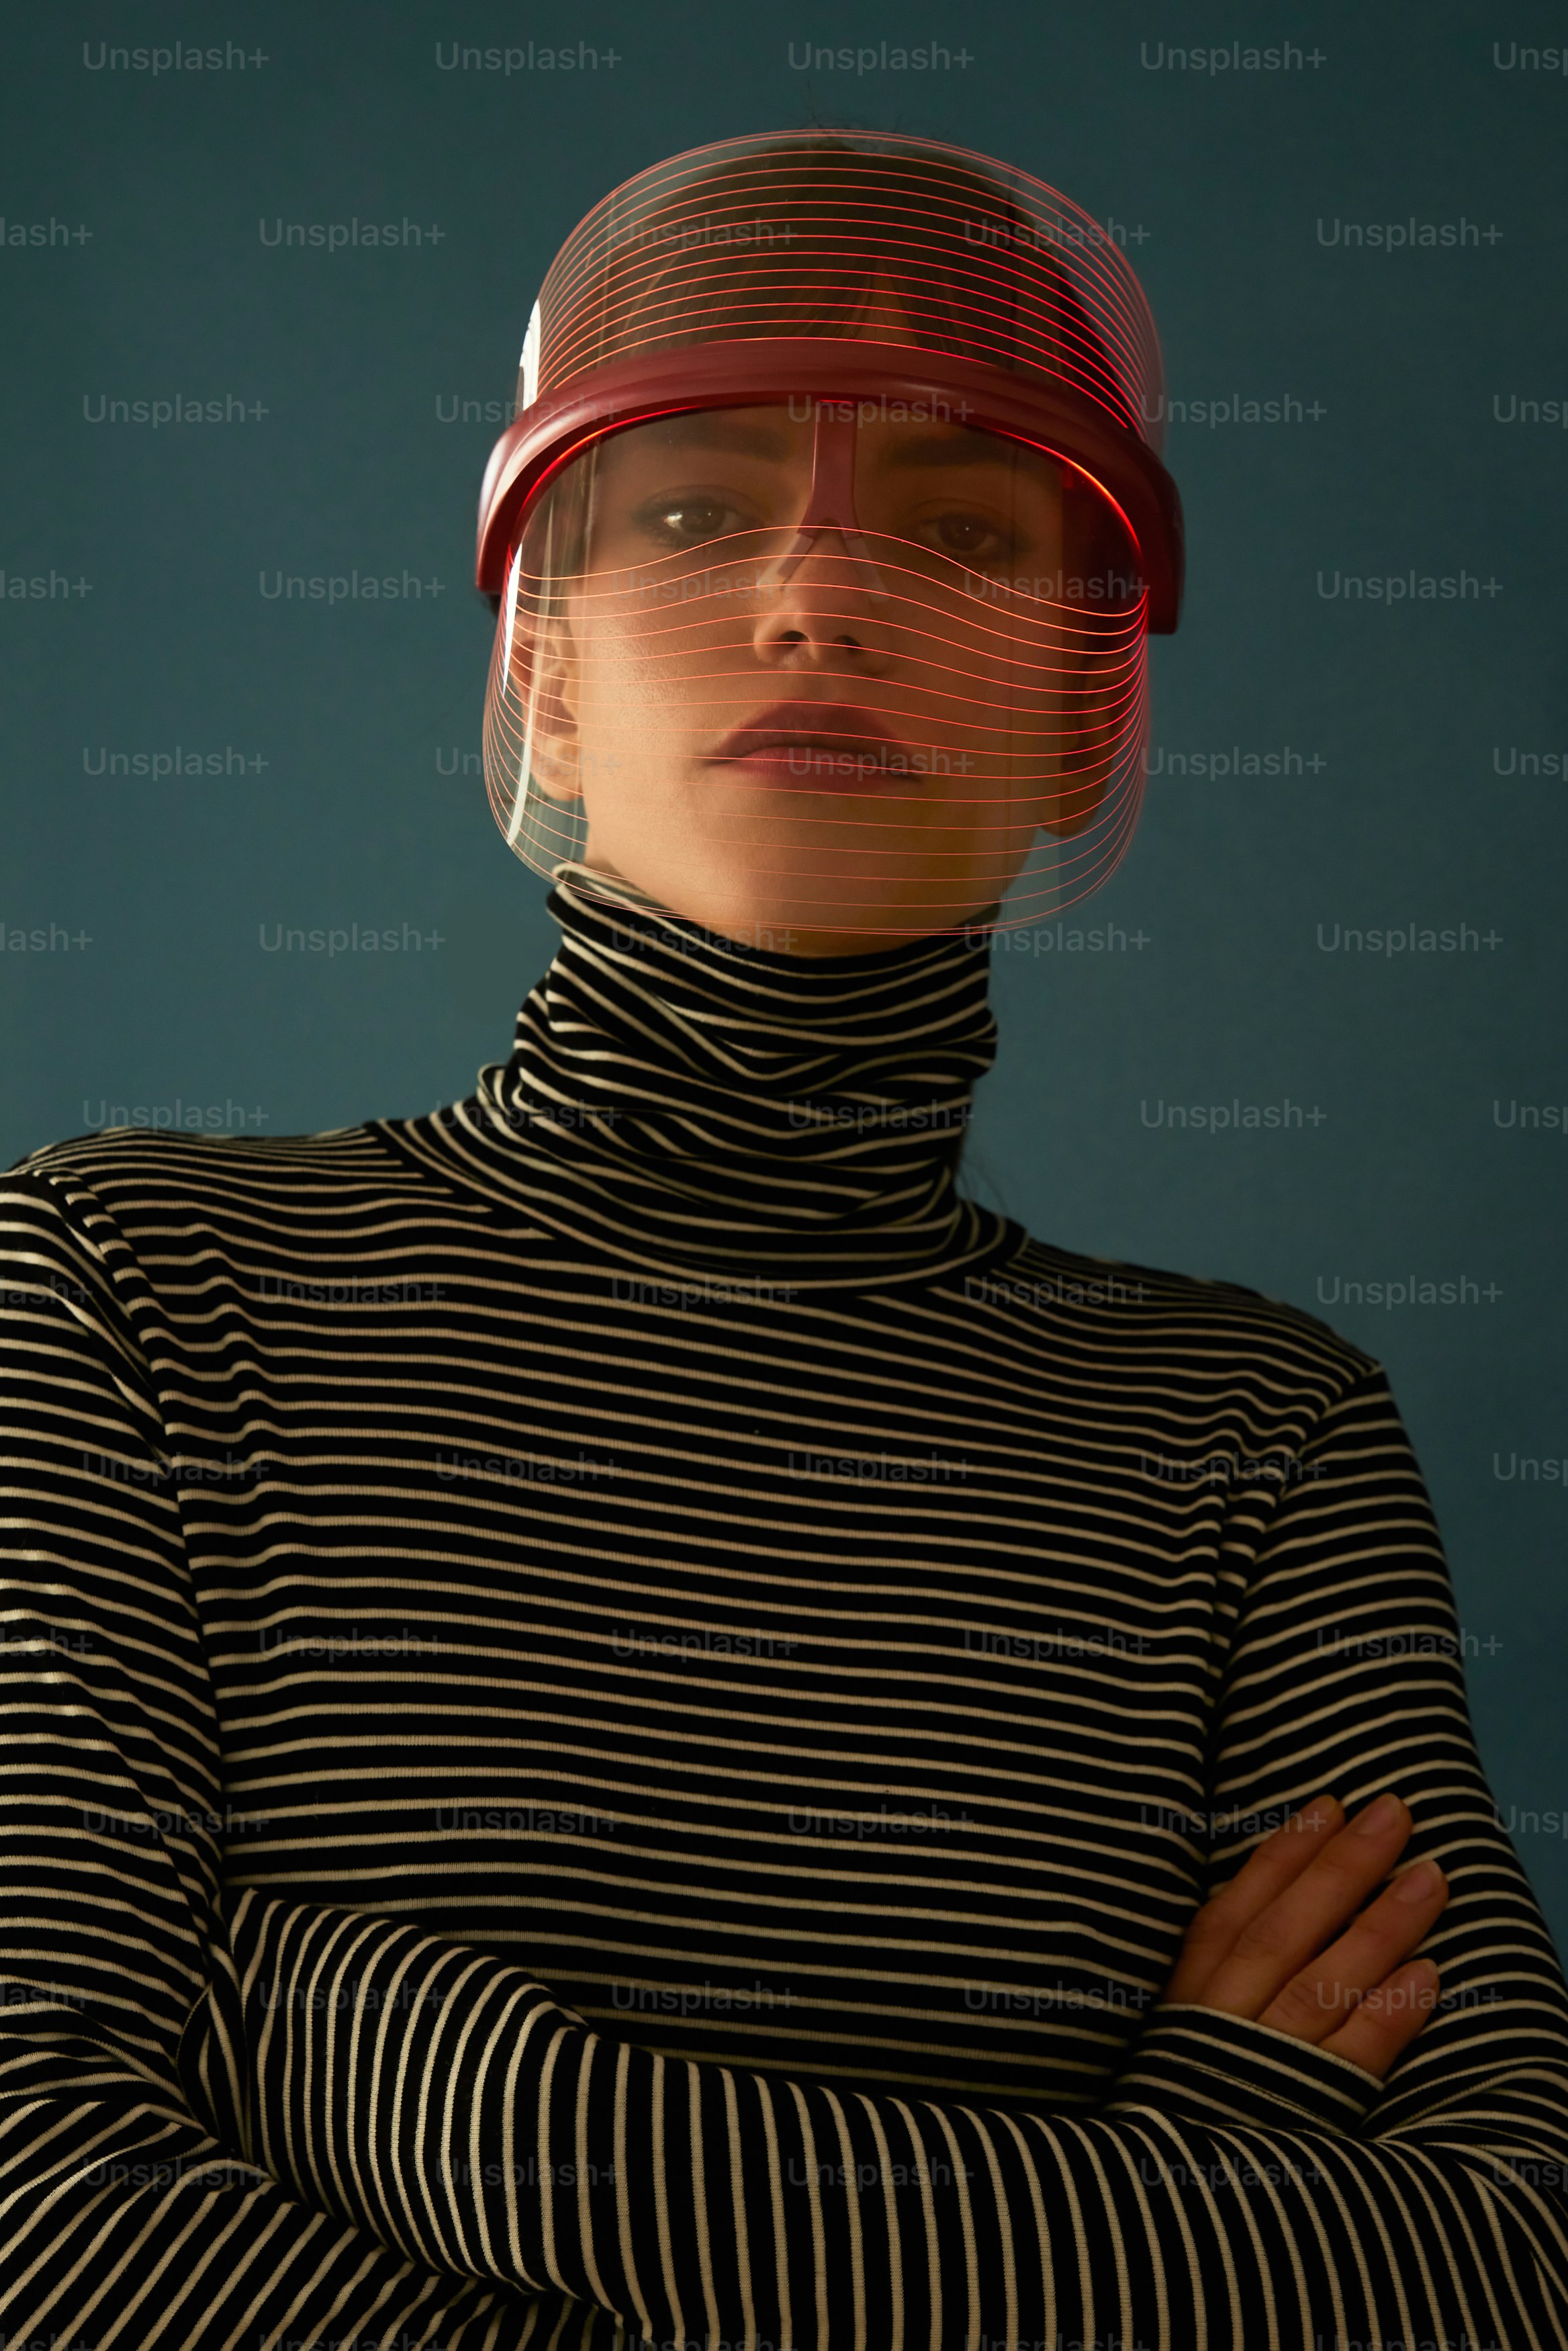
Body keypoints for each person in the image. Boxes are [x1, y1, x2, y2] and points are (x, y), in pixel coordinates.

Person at [1, 128, 1565, 2351]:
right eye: (696, 509)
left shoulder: (1258, 1437)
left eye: (956, 527)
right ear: (540, 660)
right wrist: (1193, 2160)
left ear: (1082, 700)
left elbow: (1505, 2270)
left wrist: (438, 2081)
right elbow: (40, 2225)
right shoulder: (122, 1290)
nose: (823, 596)